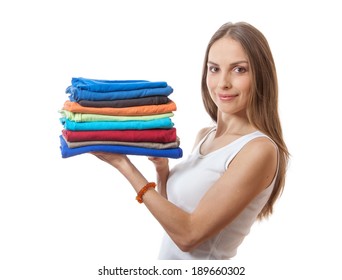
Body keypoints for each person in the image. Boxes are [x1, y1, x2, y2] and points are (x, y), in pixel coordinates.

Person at [91, 21, 290, 260]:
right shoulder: (206, 135)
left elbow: (188, 235)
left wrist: (124, 165)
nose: (223, 82)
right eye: (214, 69)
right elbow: (173, 219)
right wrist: (162, 169)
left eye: (239, 69)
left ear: (261, 75)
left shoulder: (259, 150)